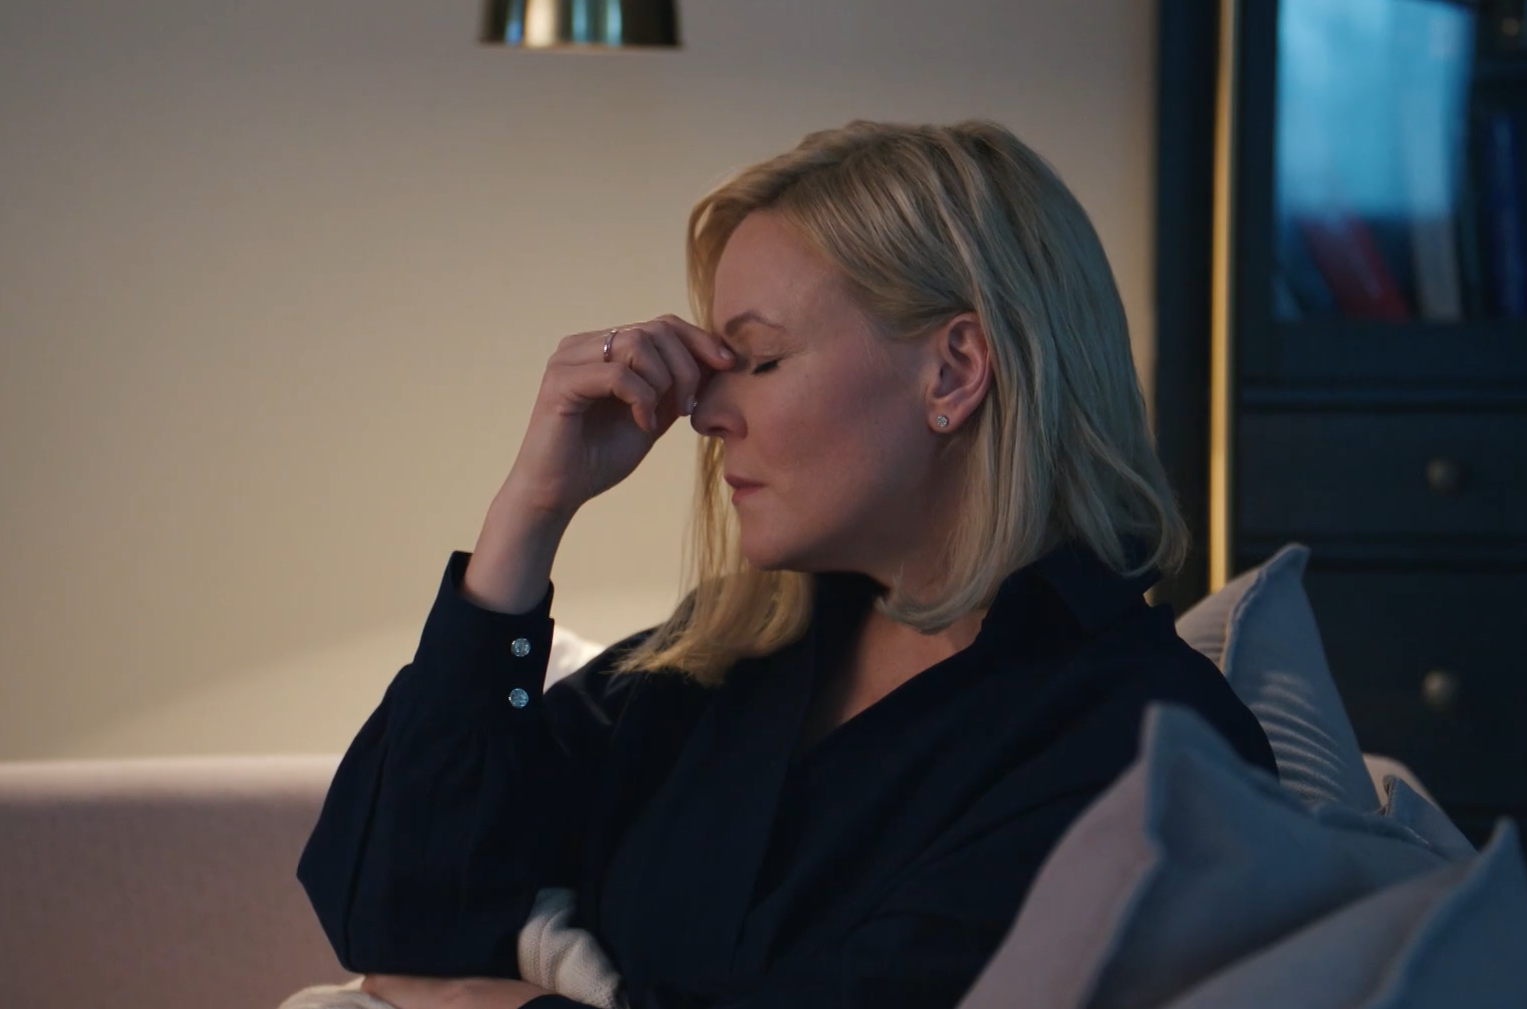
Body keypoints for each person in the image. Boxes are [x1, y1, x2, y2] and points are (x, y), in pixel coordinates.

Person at [295, 119, 1277, 1009]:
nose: (706, 415)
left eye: (758, 359)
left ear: (954, 370)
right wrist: (531, 511)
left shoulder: (1149, 747)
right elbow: (394, 909)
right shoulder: (718, 659)